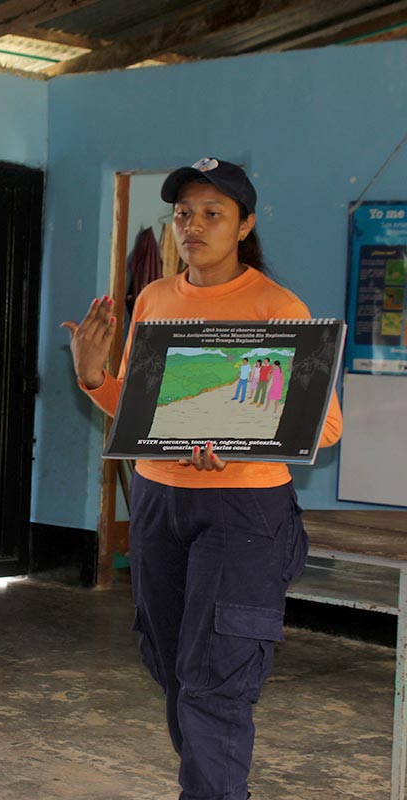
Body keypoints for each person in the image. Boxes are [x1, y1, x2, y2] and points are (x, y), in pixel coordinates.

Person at [61, 157, 342, 800]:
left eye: (213, 213)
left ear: (245, 225)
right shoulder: (157, 298)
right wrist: (94, 376)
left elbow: (323, 428)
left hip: (243, 513)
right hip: (160, 502)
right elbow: (139, 415)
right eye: (184, 213)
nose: (194, 224)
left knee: (215, 675)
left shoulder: (277, 306)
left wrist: (239, 442)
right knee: (174, 667)